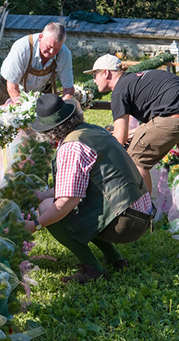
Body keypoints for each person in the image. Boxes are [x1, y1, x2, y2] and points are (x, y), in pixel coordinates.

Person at [24, 94, 154, 284]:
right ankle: (116, 259)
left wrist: (36, 224)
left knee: (48, 208)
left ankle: (93, 269)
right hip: (139, 214)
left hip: (126, 222)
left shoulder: (72, 147)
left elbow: (67, 201)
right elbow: (77, 184)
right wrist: (43, 193)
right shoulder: (91, 131)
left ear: (49, 132)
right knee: (69, 205)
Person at [84, 53, 179, 194]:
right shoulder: (136, 79)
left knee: (135, 160)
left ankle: (145, 211)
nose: (94, 80)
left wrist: (97, 156)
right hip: (171, 112)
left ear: (105, 73)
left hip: (172, 117)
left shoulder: (119, 91)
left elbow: (119, 139)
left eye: (95, 75)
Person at [0, 22, 74, 104]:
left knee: (46, 115)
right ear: (40, 37)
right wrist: (23, 107)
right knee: (10, 114)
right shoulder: (22, 49)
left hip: (42, 87)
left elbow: (68, 89)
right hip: (12, 86)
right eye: (49, 47)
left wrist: (64, 107)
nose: (52, 52)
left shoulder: (65, 54)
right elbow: (12, 86)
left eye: (57, 48)